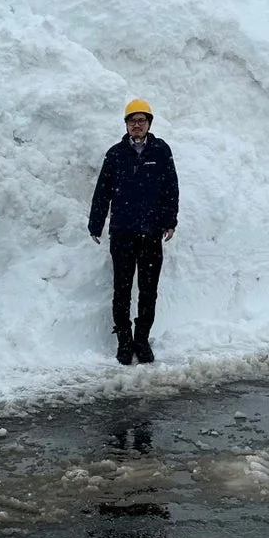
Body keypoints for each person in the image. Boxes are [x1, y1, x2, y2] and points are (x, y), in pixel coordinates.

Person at [88, 99, 178, 365]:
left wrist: (169, 221)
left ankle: (142, 339)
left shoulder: (161, 151)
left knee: (148, 290)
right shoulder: (115, 154)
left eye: (141, 121)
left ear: (149, 124)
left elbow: (170, 188)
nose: (136, 125)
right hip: (123, 233)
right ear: (126, 125)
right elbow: (102, 192)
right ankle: (124, 342)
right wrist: (96, 223)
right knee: (122, 290)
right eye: (132, 121)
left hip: (151, 233)